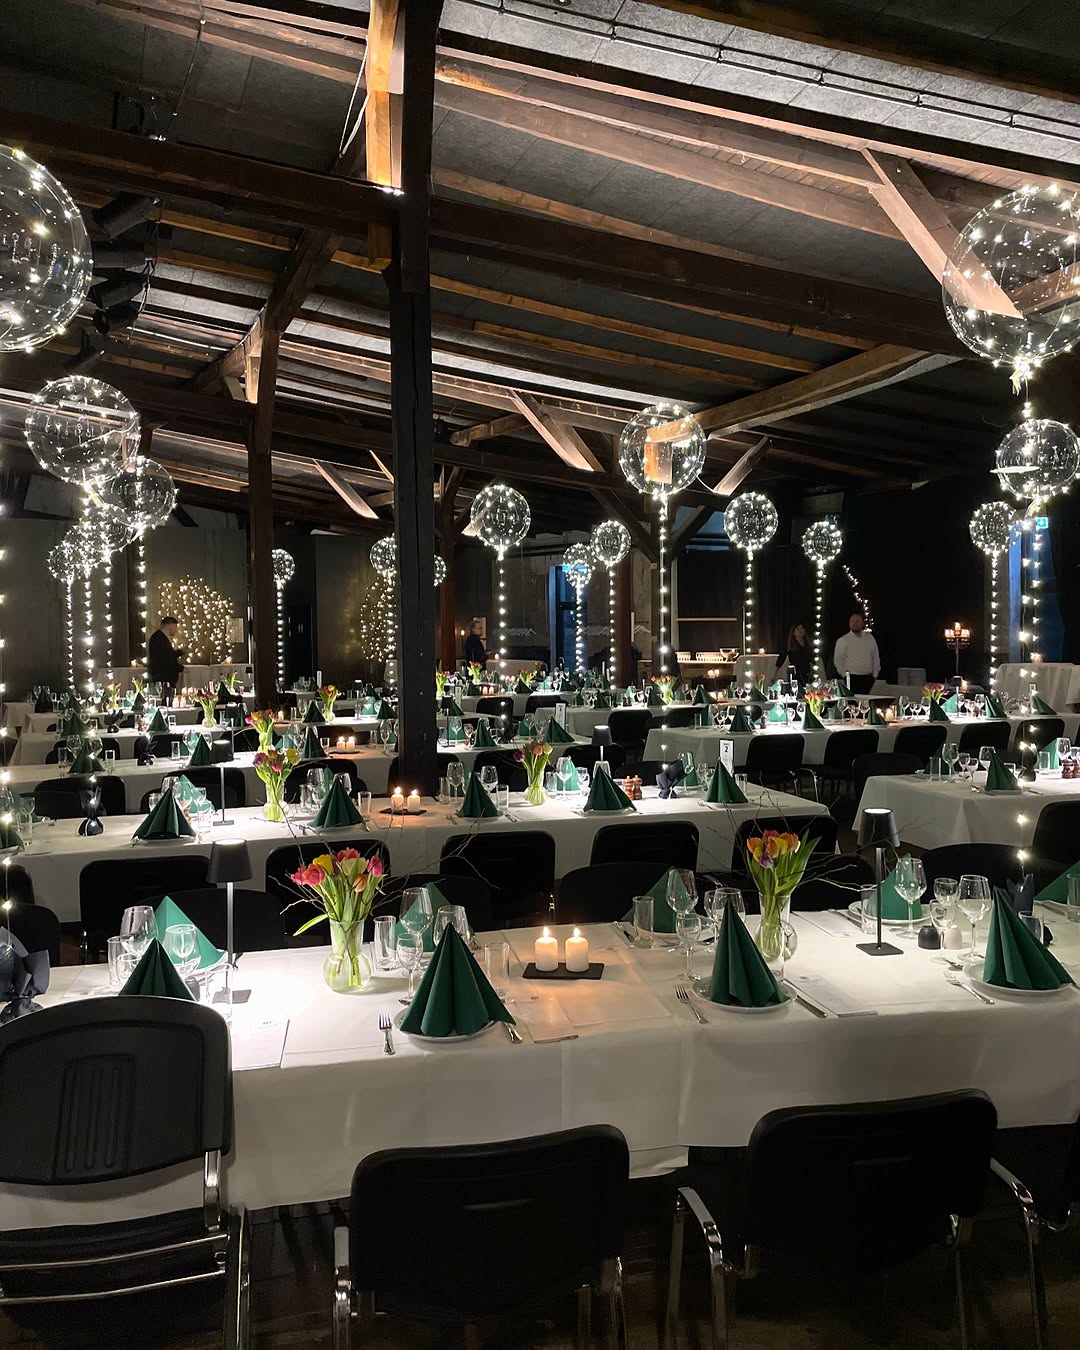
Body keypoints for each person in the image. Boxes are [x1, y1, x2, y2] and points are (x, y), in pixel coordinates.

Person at [832, 612, 880, 695]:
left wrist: (875, 675)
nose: (855, 623)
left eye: (857, 621)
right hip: (851, 677)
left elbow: (875, 656)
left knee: (865, 701)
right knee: (852, 700)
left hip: (868, 678)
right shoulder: (843, 640)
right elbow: (838, 659)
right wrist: (844, 674)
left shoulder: (870, 638)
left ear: (862, 623)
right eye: (852, 621)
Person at [147, 616, 185, 700]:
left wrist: (176, 654)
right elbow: (164, 658)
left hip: (164, 676)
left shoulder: (160, 637)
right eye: (175, 627)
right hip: (163, 677)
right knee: (165, 699)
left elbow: (166, 655)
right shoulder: (158, 638)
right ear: (169, 625)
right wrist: (179, 667)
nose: (176, 630)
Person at [782, 622, 813, 688]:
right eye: (798, 629)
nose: (800, 630)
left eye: (802, 628)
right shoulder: (791, 645)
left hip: (807, 672)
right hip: (795, 673)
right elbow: (782, 658)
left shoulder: (808, 645)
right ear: (793, 633)